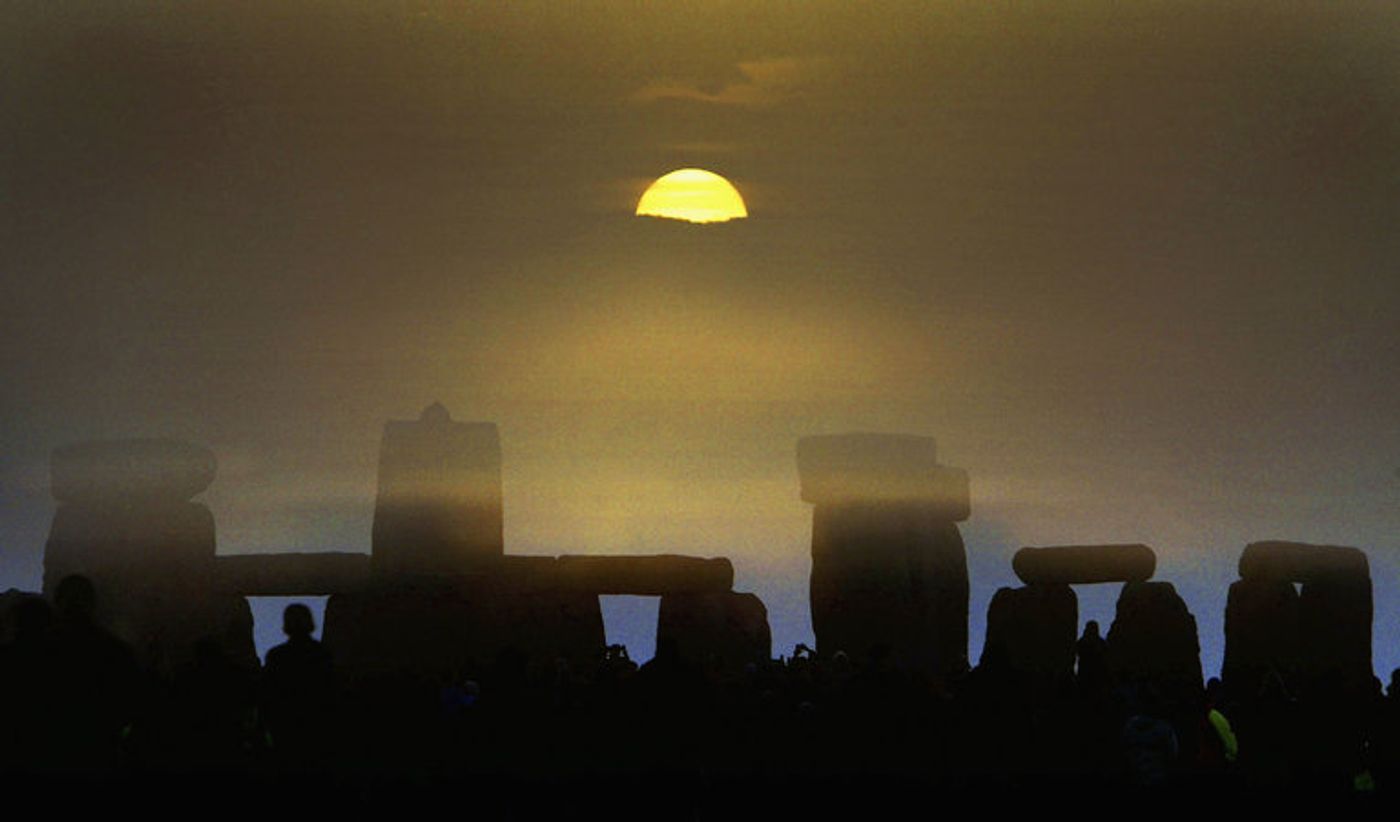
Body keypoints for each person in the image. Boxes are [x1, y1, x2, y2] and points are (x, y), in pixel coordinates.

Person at [262, 603, 334, 767]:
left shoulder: (277, 656)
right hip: (317, 727)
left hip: (286, 727)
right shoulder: (322, 654)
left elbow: (268, 694)